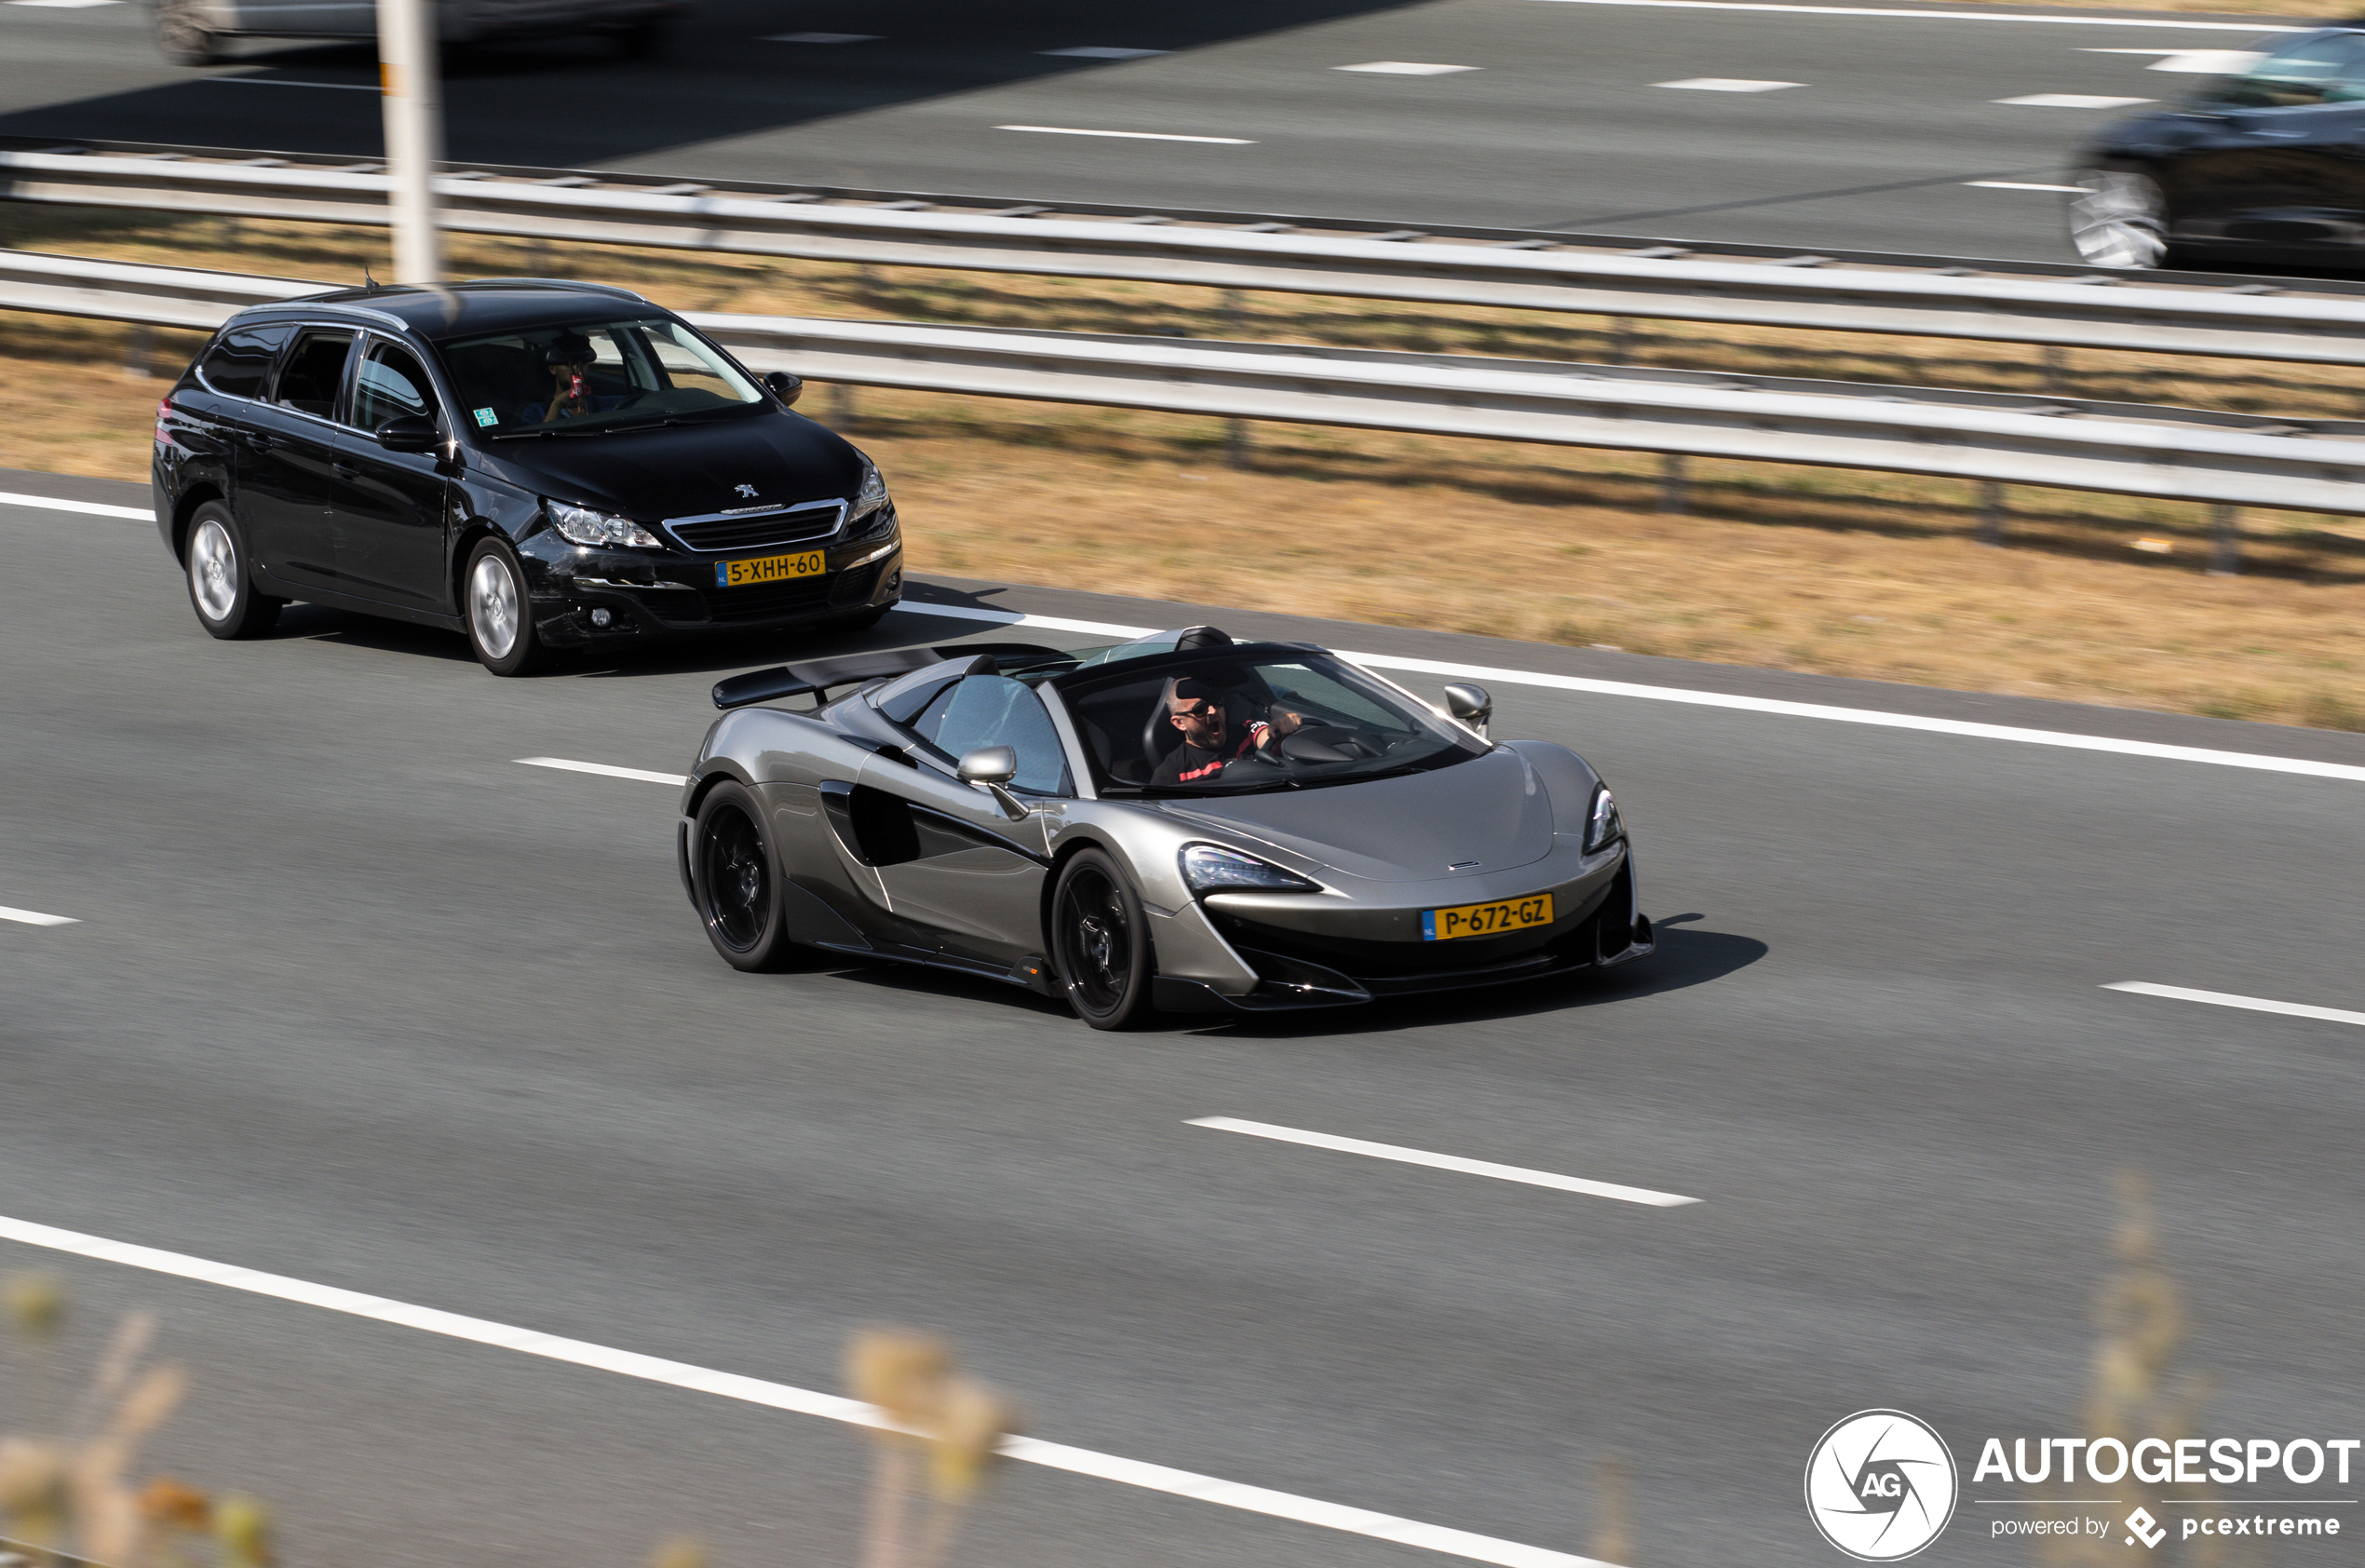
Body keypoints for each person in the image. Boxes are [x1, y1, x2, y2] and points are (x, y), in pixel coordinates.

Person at [1151, 676, 1304, 786]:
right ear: (1179, 723)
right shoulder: (1173, 771)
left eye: (1216, 702)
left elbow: (1270, 740)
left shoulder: (1245, 730)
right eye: (1200, 709)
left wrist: (1283, 726)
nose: (1212, 711)